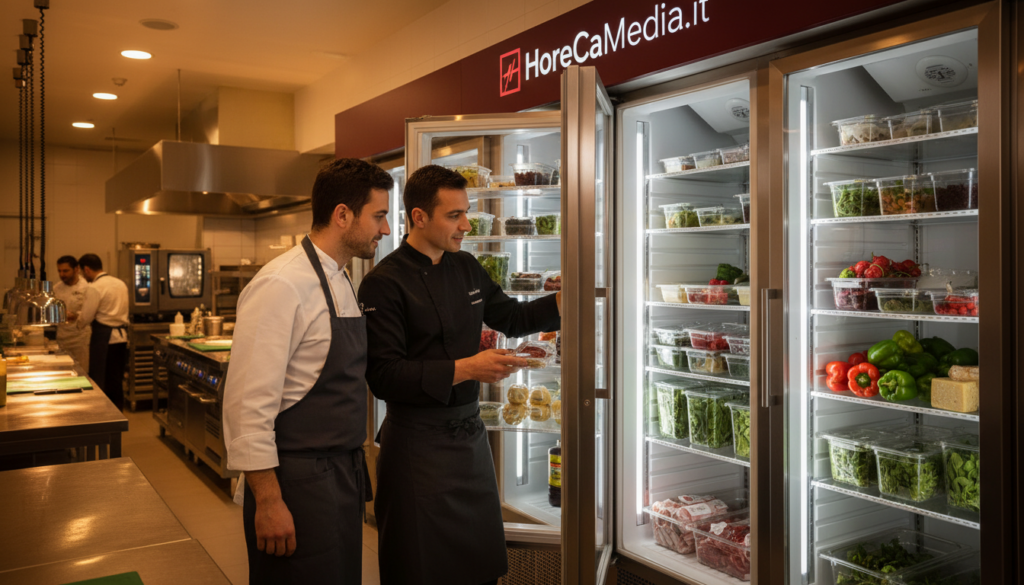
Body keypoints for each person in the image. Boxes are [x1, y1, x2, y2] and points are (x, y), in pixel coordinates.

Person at [358, 165, 562, 585]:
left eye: (466, 213)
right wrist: (468, 368)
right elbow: (384, 377)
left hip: (469, 441)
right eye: (454, 216)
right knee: (422, 570)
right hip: (416, 447)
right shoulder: (384, 283)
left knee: (479, 568)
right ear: (418, 217)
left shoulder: (466, 266)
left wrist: (565, 296)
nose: (466, 225)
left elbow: (512, 315)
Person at [222, 158, 392, 584]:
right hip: (295, 483)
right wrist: (268, 500)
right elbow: (246, 406)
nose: (385, 230)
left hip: (340, 475)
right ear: (342, 215)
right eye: (379, 216)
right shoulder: (281, 284)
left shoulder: (340, 278)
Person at [77, 253, 129, 411]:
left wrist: (77, 320)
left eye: (81, 272)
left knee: (103, 378)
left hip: (105, 339)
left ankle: (106, 413)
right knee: (116, 378)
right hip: (122, 338)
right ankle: (118, 411)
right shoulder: (120, 283)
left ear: (86, 269)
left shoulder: (95, 287)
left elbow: (86, 316)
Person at [53, 255, 98, 371]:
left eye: (65, 271)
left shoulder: (87, 287)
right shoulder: (56, 289)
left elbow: (92, 312)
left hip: (80, 338)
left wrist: (76, 315)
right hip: (62, 336)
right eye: (59, 271)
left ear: (76, 269)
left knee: (81, 371)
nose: (62, 274)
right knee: (63, 371)